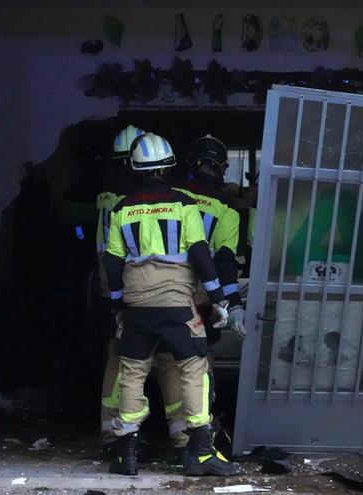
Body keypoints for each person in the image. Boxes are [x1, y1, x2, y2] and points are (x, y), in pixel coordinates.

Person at [104, 132, 238, 477]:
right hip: (178, 304)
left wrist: (118, 303)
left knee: (132, 373)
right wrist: (219, 298)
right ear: (170, 166)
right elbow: (200, 253)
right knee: (193, 369)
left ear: (135, 168)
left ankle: (126, 450)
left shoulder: (122, 208)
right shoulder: (183, 205)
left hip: (136, 305)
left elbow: (113, 262)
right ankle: (200, 450)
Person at [160, 134, 246, 460]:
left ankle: (176, 434)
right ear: (223, 168)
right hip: (201, 296)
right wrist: (232, 304)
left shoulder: (168, 196)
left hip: (161, 292)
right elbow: (225, 262)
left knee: (167, 364)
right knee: (198, 368)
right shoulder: (227, 209)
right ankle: (198, 436)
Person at [97, 124, 144, 458]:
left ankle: (113, 430)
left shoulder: (106, 193)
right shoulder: (128, 198)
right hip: (127, 282)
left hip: (107, 282)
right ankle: (118, 434)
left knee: (119, 359)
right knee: (128, 362)